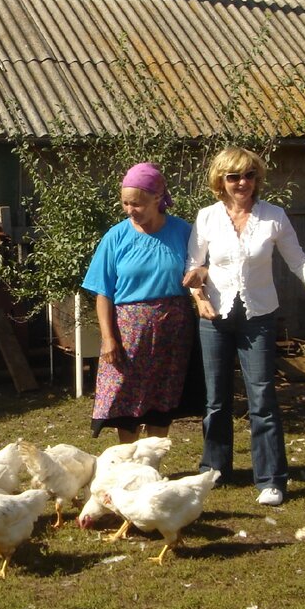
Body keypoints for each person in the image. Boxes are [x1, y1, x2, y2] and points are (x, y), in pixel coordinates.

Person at [184, 147, 305, 507]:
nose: (242, 183)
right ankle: (215, 467)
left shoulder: (273, 217)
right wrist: (199, 297)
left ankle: (270, 479)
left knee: (262, 398)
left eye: (249, 175)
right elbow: (193, 266)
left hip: (259, 317)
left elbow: (299, 261)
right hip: (215, 318)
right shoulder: (206, 218)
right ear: (220, 181)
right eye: (234, 177)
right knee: (216, 399)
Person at [82, 162, 194, 443]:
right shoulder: (116, 237)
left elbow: (200, 271)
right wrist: (108, 338)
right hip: (128, 331)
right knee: (125, 400)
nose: (131, 210)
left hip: (173, 331)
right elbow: (103, 291)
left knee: (162, 399)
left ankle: (150, 468)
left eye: (138, 204)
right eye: (125, 203)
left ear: (158, 198)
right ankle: (129, 464)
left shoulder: (184, 232)